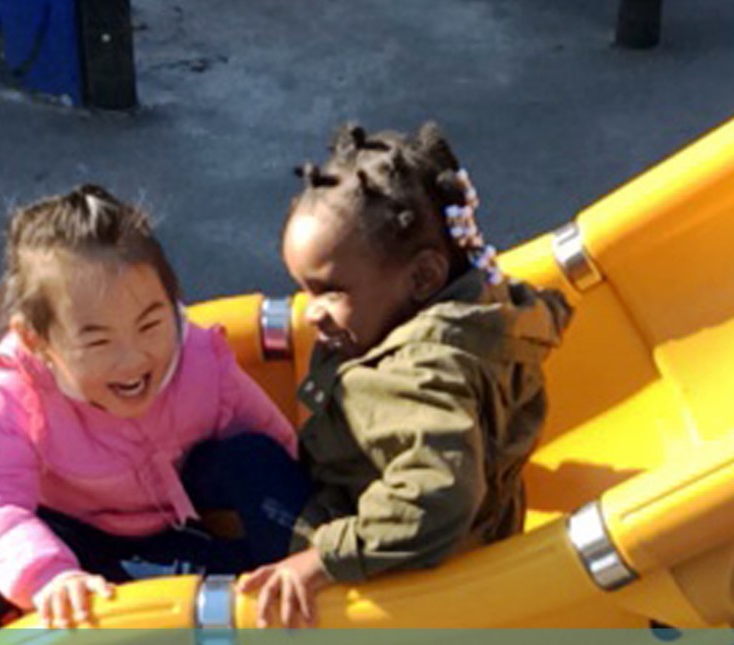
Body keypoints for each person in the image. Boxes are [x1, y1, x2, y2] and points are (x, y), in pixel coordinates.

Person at [0, 184, 307, 629]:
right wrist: (49, 577)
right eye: (98, 340)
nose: (135, 357)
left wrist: (317, 527)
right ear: (36, 340)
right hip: (49, 533)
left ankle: (316, 571)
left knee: (252, 463)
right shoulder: (13, 390)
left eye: (151, 324)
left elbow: (275, 446)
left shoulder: (200, 357)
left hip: (161, 532)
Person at [240, 123, 573, 627]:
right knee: (230, 463)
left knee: (239, 479)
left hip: (403, 577)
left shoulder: (415, 376)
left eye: (330, 291)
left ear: (422, 278)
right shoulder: (490, 309)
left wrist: (322, 557)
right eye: (304, 292)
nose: (311, 313)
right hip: (466, 532)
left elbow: (439, 497)